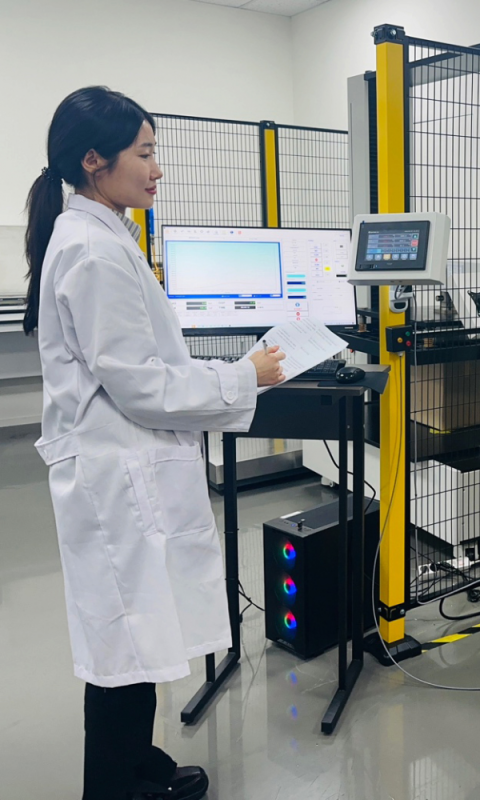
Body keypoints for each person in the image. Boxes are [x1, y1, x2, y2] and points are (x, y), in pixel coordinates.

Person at [24, 87, 287, 800]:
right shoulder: (92, 249)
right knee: (126, 641)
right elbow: (140, 383)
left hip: (124, 467)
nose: (157, 169)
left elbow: (143, 363)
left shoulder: (104, 235)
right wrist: (243, 376)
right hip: (117, 476)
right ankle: (114, 788)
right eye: (144, 153)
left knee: (136, 636)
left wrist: (230, 374)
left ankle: (136, 767)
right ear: (94, 160)